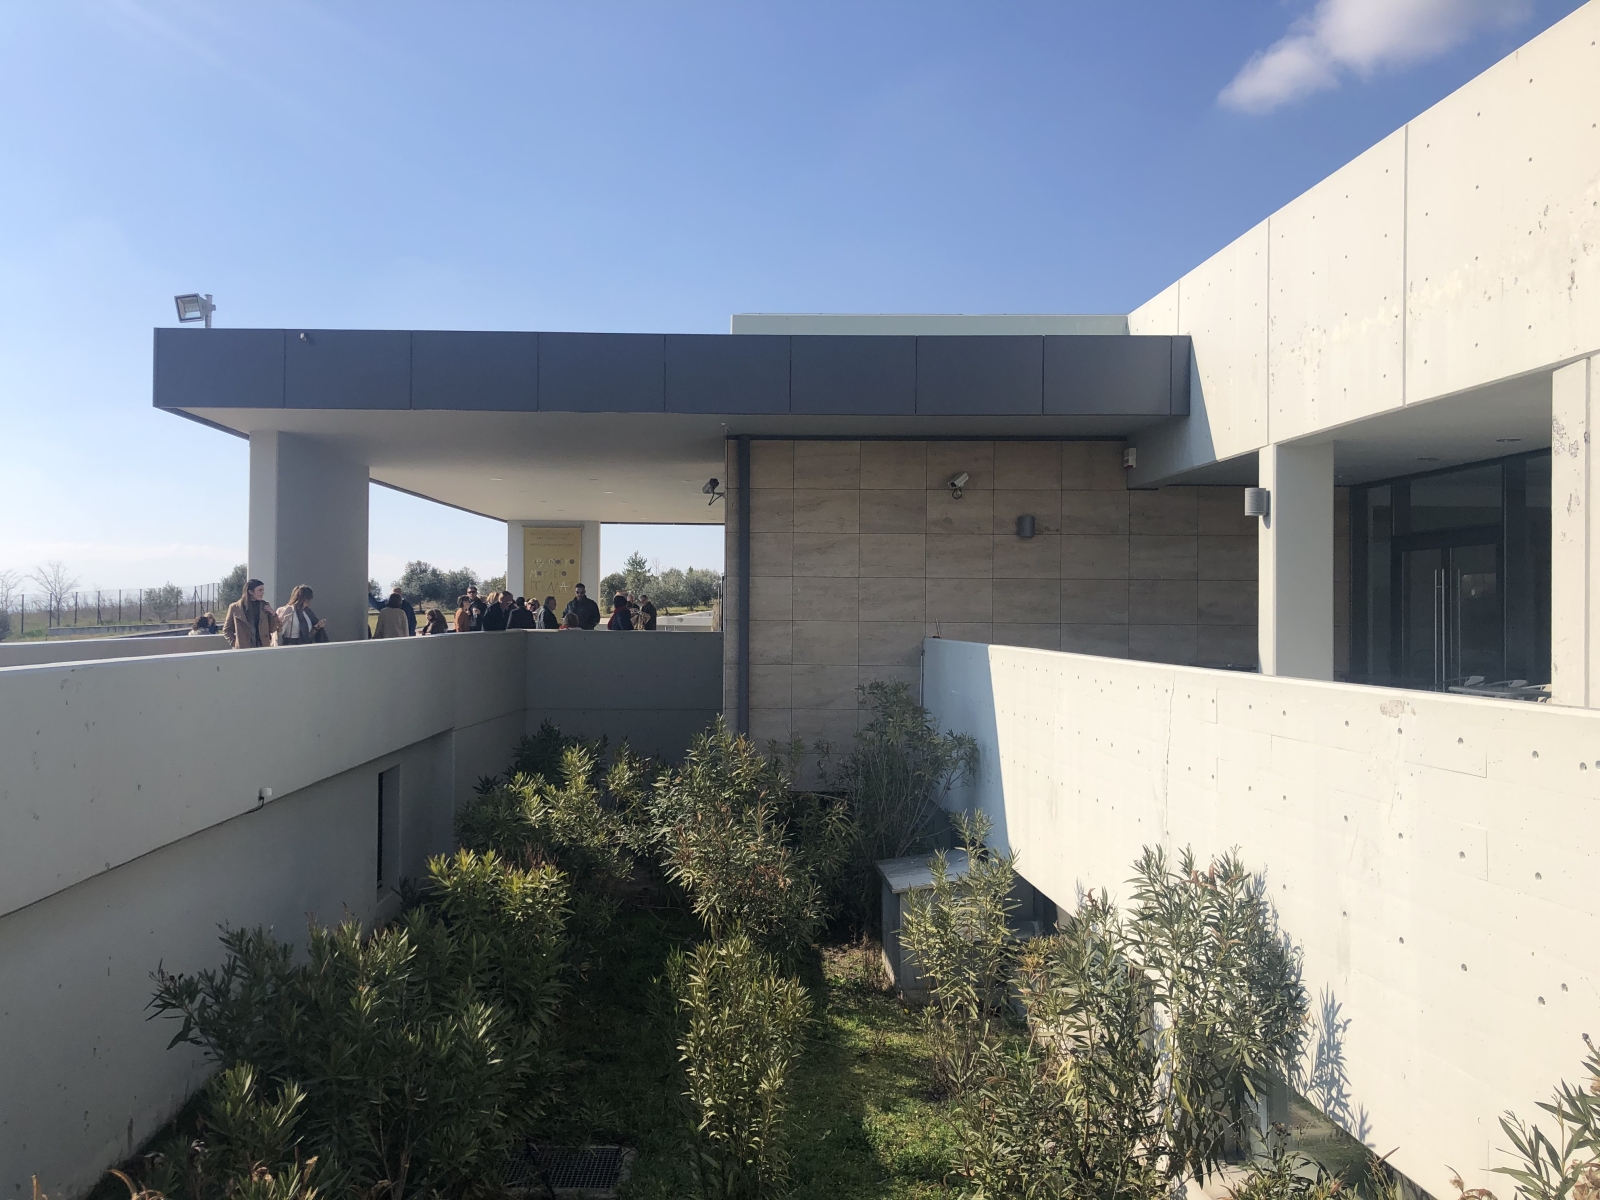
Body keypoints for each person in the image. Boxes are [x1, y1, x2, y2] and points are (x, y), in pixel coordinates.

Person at [223, 579, 279, 649]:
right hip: (243, 649)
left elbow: (273, 629)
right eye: (260, 590)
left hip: (263, 647)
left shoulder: (265, 605)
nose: (263, 592)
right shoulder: (235, 607)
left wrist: (273, 614)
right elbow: (227, 630)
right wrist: (235, 643)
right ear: (250, 592)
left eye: (263, 590)